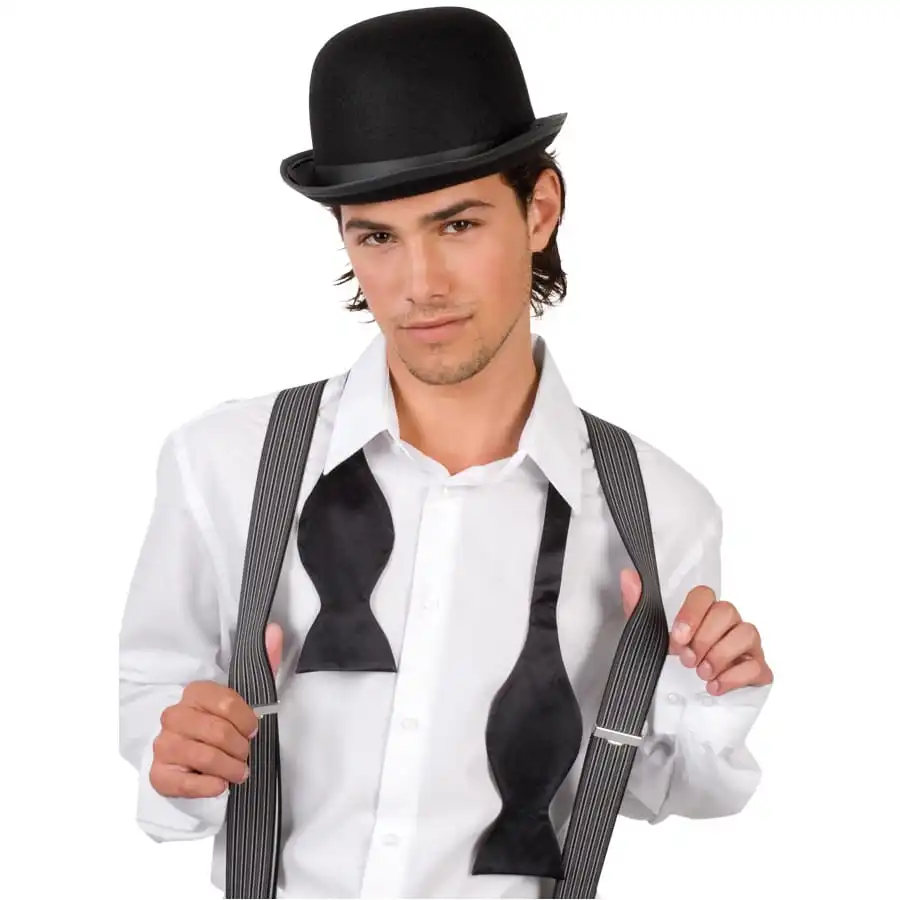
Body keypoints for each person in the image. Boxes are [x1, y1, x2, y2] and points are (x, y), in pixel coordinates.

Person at [118, 6, 774, 898]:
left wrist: (711, 703)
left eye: (457, 225)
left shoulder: (661, 515)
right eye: (377, 237)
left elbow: (657, 786)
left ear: (540, 209)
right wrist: (177, 759)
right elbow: (156, 694)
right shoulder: (222, 466)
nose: (418, 285)